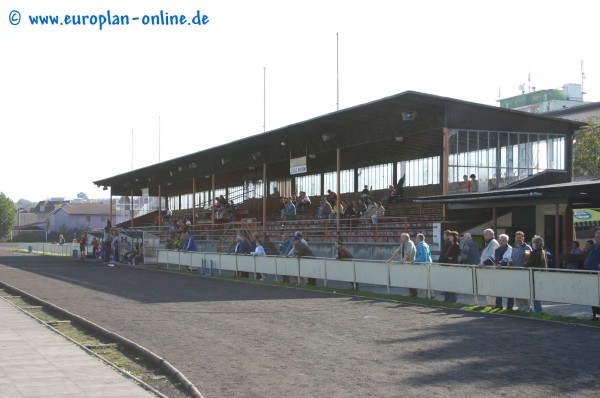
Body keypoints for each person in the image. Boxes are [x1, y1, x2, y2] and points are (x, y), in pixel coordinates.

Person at [525, 235, 549, 314]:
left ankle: (537, 310)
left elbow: (529, 264)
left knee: (534, 293)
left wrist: (526, 260)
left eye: (533, 243)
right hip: (540, 274)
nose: (532, 244)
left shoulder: (535, 253)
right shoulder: (543, 251)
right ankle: (537, 309)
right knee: (536, 293)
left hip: (535, 274)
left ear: (536, 244)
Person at [490, 234, 513, 309]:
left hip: (508, 273)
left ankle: (509, 306)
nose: (501, 242)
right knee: (498, 288)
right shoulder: (497, 250)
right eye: (500, 240)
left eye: (503, 240)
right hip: (499, 272)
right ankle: (498, 305)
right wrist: (483, 263)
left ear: (507, 241)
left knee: (509, 289)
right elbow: (492, 258)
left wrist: (500, 264)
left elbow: (506, 258)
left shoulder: (510, 249)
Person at [477, 228, 500, 306]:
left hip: (490, 268)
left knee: (491, 286)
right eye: (484, 234)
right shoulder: (488, 243)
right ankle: (490, 303)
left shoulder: (493, 243)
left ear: (491, 234)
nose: (484, 235)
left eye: (485, 234)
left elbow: (492, 256)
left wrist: (484, 263)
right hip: (486, 268)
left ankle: (493, 303)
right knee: (487, 286)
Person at [511, 231, 532, 311]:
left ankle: (526, 307)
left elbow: (528, 259)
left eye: (520, 237)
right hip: (515, 272)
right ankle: (519, 306)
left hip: (523, 272)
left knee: (523, 290)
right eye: (517, 237)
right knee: (516, 290)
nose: (518, 239)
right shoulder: (515, 247)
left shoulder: (527, 248)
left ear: (523, 238)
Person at [583, 231, 600, 320]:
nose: (596, 238)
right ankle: (595, 316)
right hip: (590, 273)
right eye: (595, 236)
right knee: (593, 296)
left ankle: (598, 317)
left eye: (597, 236)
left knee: (598, 296)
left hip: (597, 274)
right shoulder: (594, 246)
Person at [442, 231, 461, 302]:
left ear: (454, 237)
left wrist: (448, 256)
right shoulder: (451, 245)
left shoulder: (456, 245)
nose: (449, 237)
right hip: (449, 264)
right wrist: (448, 256)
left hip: (453, 265)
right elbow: (447, 255)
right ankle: (447, 299)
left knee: (452, 282)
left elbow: (452, 256)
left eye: (450, 236)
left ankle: (452, 299)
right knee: (447, 282)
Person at [413, 233, 432, 297]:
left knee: (422, 280)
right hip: (428, 264)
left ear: (419, 239)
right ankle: (431, 294)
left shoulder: (419, 245)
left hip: (422, 265)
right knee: (428, 280)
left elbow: (422, 255)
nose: (415, 239)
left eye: (416, 238)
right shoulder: (426, 245)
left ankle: (424, 295)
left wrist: (415, 261)